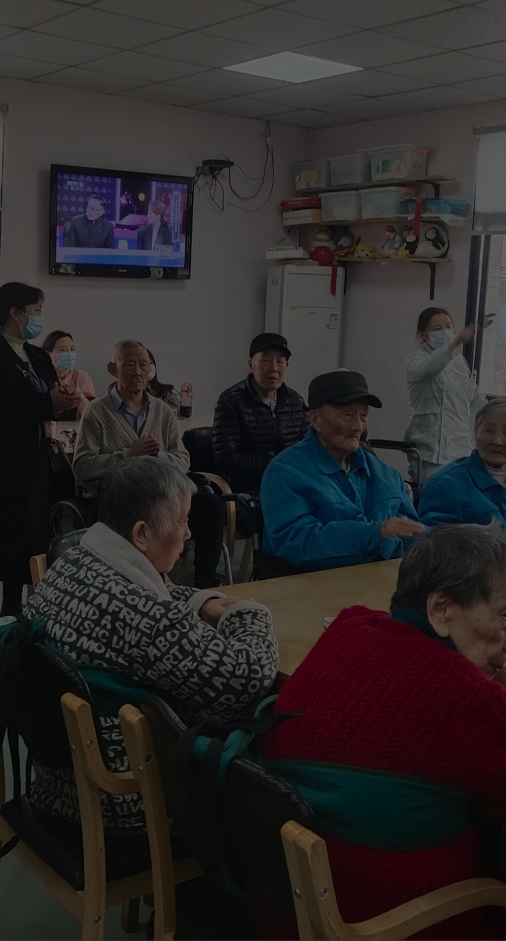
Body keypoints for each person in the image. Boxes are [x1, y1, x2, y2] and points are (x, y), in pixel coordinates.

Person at [262, 523, 506, 940]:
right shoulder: (469, 701)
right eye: (504, 615)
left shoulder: (348, 627)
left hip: (282, 900)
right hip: (387, 919)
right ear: (441, 609)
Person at [26, 457, 279, 828]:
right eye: (182, 521)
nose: (188, 533)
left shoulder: (72, 562)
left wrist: (200, 602)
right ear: (142, 534)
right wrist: (249, 613)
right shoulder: (144, 618)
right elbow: (246, 678)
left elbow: (147, 593)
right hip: (126, 797)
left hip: (61, 778)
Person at [0, 282, 80, 618]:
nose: (40, 317)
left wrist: (64, 400)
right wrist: (46, 402)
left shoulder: (37, 355)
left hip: (33, 460)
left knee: (25, 535)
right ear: (15, 313)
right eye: (36, 311)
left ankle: (13, 604)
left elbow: (49, 397)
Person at [73, 340, 225, 589]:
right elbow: (82, 466)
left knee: (211, 506)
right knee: (145, 519)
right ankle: (145, 585)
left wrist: (160, 458)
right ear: (113, 369)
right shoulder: (96, 412)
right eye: (129, 365)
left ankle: (204, 583)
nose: (138, 372)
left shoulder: (163, 411)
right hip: (118, 499)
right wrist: (129, 455)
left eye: (144, 365)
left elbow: (183, 458)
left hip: (162, 495)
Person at [260, 370, 424, 573]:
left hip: (382, 580)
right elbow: (295, 543)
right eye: (347, 414)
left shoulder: (386, 474)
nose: (357, 426)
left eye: (363, 415)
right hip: (313, 584)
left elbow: (412, 536)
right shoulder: (285, 472)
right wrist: (374, 534)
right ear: (315, 419)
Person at [212, 333, 308, 493]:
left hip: (292, 485)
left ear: (287, 365)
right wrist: (278, 466)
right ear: (251, 365)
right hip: (251, 490)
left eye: (280, 361)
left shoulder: (295, 401)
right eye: (266, 360)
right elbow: (226, 458)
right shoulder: (231, 401)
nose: (274, 368)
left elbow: (307, 448)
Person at [404, 307, 486, 483]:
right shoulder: (416, 360)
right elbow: (429, 369)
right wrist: (455, 343)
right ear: (424, 334)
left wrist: (497, 412)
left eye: (448, 326)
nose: (446, 331)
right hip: (430, 451)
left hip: (461, 447)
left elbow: (474, 396)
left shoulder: (459, 361)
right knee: (435, 495)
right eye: (438, 328)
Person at [418, 399, 506, 528]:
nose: (497, 441)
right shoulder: (445, 484)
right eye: (489, 431)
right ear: (475, 432)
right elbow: (430, 538)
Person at [42, 329, 95, 421]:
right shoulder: (41, 377)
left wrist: (78, 393)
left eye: (72, 349)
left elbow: (91, 416)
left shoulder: (82, 377)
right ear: (48, 354)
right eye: (63, 350)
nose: (70, 354)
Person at [146, 348, 180, 415]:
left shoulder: (167, 392)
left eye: (151, 363)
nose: (150, 367)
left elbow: (175, 412)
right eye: (145, 363)